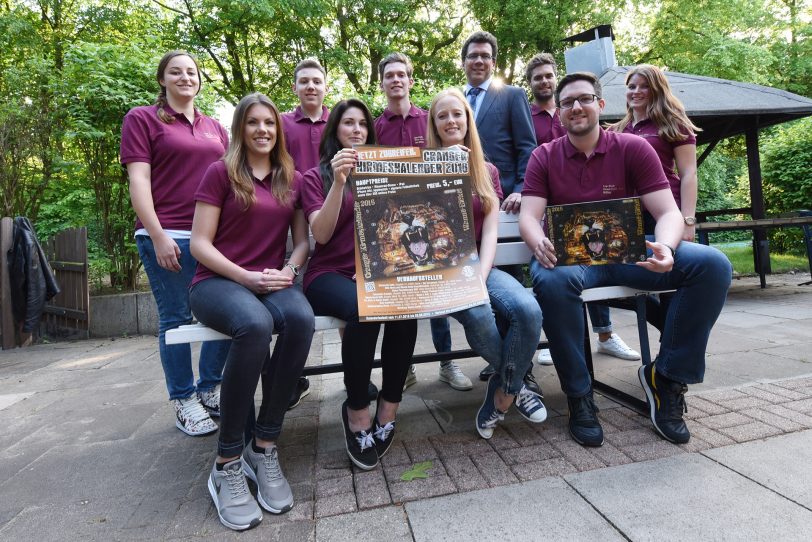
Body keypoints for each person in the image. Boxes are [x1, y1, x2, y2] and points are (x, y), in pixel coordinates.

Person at [519, 72, 732, 447]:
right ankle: (580, 395)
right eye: (567, 102)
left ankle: (666, 377)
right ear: (560, 114)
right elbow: (528, 216)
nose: (576, 107)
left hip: (629, 253)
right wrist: (538, 241)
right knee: (551, 280)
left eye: (584, 99)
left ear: (600, 106)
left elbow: (667, 212)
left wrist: (665, 246)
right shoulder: (544, 156)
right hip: (571, 260)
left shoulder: (633, 148)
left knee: (713, 266)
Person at [189, 93, 314, 530]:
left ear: (279, 131)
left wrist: (289, 269)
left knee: (301, 319)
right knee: (256, 325)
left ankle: (263, 447)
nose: (263, 130)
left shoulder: (290, 178)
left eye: (270, 123)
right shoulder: (220, 173)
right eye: (253, 122)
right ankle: (226, 462)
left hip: (269, 281)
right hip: (216, 283)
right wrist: (246, 277)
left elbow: (301, 241)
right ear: (240, 128)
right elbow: (199, 244)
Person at [301, 99, 418, 471]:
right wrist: (338, 183)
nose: (356, 130)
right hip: (328, 276)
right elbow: (319, 234)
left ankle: (389, 405)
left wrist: (450, 158)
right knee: (364, 308)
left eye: (362, 124)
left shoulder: (381, 172)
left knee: (404, 305)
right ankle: (356, 410)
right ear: (334, 129)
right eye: (348, 123)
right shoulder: (314, 177)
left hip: (374, 274)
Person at [121, 50, 229, 437]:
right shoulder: (142, 119)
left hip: (215, 240)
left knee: (227, 314)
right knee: (177, 319)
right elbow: (139, 181)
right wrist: (158, 234)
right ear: (162, 79)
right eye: (175, 72)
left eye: (191, 72)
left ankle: (210, 387)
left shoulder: (215, 127)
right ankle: (184, 399)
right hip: (168, 234)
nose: (185, 77)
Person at [427, 89, 546, 439]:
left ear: (468, 121)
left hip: (480, 265)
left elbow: (491, 231)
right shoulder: (418, 168)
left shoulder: (488, 171)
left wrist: (479, 275)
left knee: (528, 309)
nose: (451, 121)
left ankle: (502, 393)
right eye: (443, 116)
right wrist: (440, 167)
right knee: (479, 313)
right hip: (437, 273)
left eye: (457, 114)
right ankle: (518, 388)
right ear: (434, 124)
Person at [524, 53, 639, 367]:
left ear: (599, 104)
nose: (544, 81)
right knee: (561, 271)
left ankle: (605, 334)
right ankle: (557, 340)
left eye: (549, 75)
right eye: (538, 77)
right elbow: (524, 153)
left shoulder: (622, 144)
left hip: (596, 201)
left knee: (598, 243)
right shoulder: (528, 116)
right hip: (554, 200)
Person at [373, 52, 470, 392]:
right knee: (401, 293)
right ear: (382, 83)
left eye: (402, 74)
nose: (396, 80)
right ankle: (406, 367)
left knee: (436, 289)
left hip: (431, 217)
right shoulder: (376, 127)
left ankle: (447, 362)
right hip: (400, 224)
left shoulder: (429, 119)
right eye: (389, 75)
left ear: (411, 81)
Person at [459, 31, 540, 393]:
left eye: (485, 56)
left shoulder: (511, 96)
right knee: (484, 302)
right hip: (463, 212)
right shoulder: (454, 101)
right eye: (472, 55)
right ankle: (506, 363)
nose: (478, 61)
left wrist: (522, 188)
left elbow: (527, 146)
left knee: (509, 292)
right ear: (463, 62)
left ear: (493, 62)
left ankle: (521, 367)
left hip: (504, 204)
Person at [281, 58, 330, 408]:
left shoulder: (338, 122)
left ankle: (351, 373)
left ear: (325, 86)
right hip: (291, 220)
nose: (310, 86)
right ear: (296, 87)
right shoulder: (282, 124)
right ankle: (292, 376)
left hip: (332, 217)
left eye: (316, 81)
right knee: (292, 300)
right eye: (304, 82)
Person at [608, 64, 701, 241]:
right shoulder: (614, 131)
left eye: (645, 86)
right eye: (632, 86)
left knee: (665, 263)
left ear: (657, 90)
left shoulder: (674, 125)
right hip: (624, 214)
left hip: (663, 211)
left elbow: (689, 173)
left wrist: (688, 221)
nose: (636, 91)